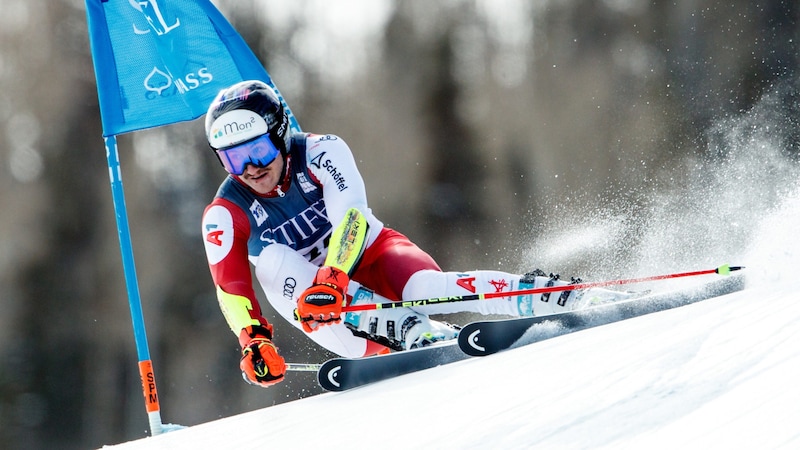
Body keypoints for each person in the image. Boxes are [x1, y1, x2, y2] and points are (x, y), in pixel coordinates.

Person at [201, 80, 625, 388]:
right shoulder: (224, 212)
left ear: (279, 135)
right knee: (273, 263)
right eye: (234, 159)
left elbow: (352, 218)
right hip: (315, 303)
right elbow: (230, 286)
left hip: (365, 256)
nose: (251, 168)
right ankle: (409, 332)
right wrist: (253, 340)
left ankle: (555, 294)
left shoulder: (321, 150)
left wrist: (333, 276)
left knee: (427, 286)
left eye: (258, 150)